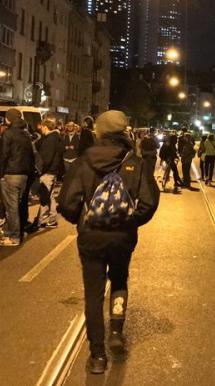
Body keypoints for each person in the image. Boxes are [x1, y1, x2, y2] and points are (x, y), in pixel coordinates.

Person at [58, 110, 160, 375]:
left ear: (99, 131)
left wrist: (81, 221)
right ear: (125, 132)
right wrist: (130, 222)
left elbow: (67, 202)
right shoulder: (134, 161)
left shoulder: (84, 161)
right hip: (122, 237)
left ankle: (98, 355)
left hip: (91, 236)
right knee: (119, 280)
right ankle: (116, 328)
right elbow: (149, 202)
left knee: (93, 293)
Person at [0, 109, 36, 246]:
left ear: (9, 119)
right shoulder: (26, 135)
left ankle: (13, 236)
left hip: (11, 172)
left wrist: (0, 174)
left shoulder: (8, 134)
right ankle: (14, 230)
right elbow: (31, 155)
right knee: (18, 204)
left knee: (11, 206)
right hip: (24, 174)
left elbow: (3, 155)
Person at [36, 119, 64, 228]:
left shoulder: (50, 140)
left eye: (41, 127)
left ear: (45, 127)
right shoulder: (54, 138)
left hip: (47, 171)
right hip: (52, 171)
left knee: (45, 196)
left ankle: (41, 220)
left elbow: (46, 158)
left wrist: (39, 170)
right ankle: (52, 219)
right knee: (49, 196)